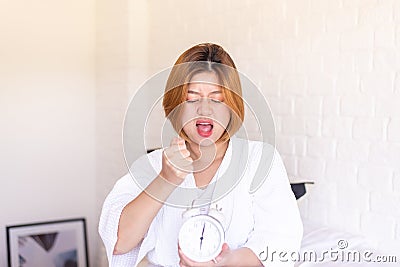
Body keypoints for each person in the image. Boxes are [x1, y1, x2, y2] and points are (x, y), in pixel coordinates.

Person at [99, 43, 303, 267]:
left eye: (217, 99)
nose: (205, 109)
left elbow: (280, 242)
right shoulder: (152, 165)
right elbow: (119, 243)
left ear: (232, 107)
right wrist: (166, 180)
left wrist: (223, 264)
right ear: (175, 106)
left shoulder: (260, 160)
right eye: (192, 98)